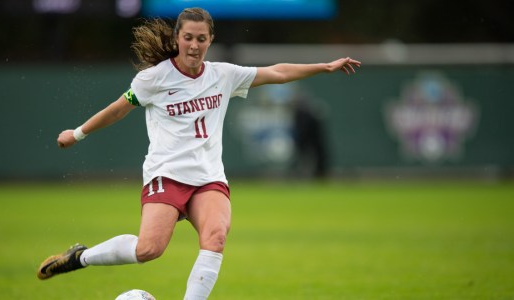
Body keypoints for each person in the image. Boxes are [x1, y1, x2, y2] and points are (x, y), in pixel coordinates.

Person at [37, 7, 361, 300]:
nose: (194, 45)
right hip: (167, 174)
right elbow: (118, 110)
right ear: (178, 37)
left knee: (216, 237)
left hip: (208, 177)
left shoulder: (223, 75)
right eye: (188, 37)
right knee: (149, 249)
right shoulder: (154, 78)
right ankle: (80, 257)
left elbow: (276, 72)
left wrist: (324, 67)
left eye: (201, 39)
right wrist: (78, 133)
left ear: (211, 40)